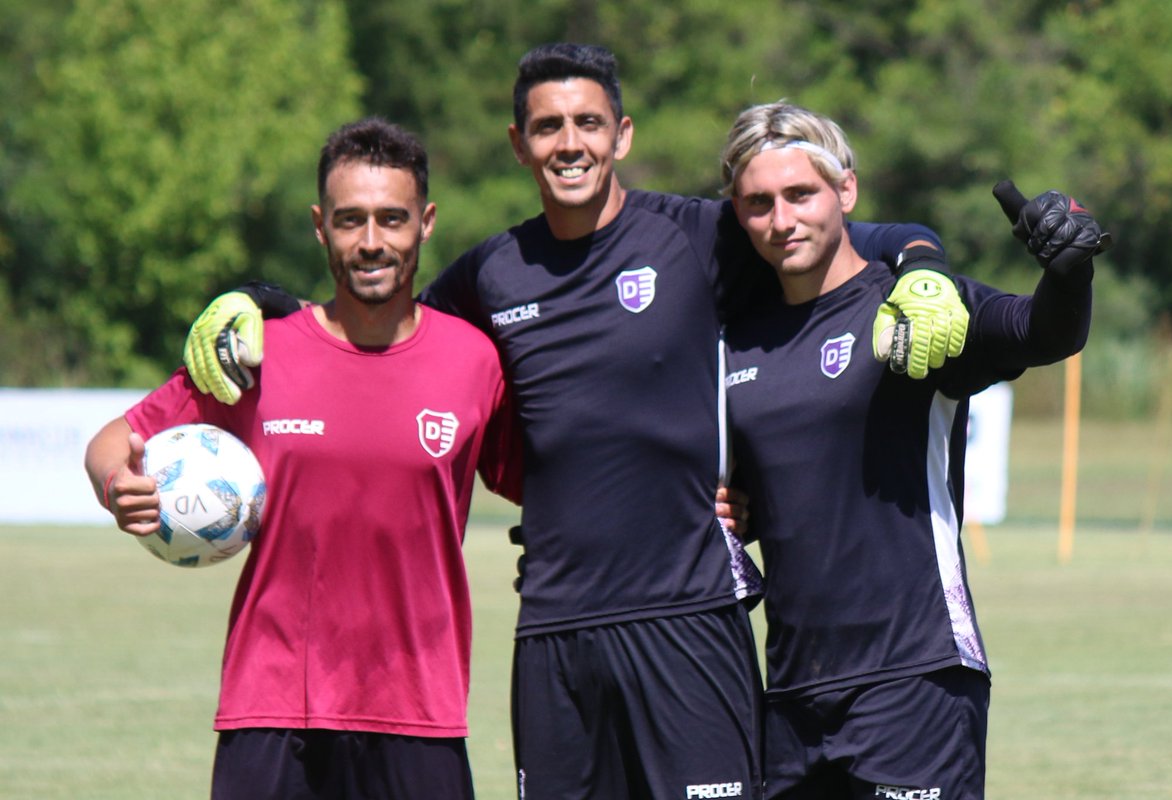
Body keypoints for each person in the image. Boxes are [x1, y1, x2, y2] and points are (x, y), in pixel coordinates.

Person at [180, 44, 971, 800]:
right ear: (519, 144)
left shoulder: (696, 236)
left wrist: (923, 261)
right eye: (548, 127)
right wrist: (257, 296)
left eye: (588, 123)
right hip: (556, 633)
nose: (570, 143)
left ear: (621, 135)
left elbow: (832, 229)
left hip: (689, 622)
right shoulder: (493, 273)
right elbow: (380, 302)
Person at [84, 118, 521, 800]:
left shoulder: (474, 361)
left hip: (419, 711)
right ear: (321, 226)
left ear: (426, 222)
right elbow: (112, 440)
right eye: (350, 221)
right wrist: (119, 486)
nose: (371, 242)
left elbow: (546, 475)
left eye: (391, 219)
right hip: (272, 706)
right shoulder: (259, 355)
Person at [719, 102, 1105, 799]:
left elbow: (1043, 333)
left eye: (800, 194)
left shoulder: (917, 304)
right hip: (789, 699)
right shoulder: (734, 339)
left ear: (846, 191)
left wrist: (1070, 272)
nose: (781, 220)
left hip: (916, 681)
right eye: (758, 203)